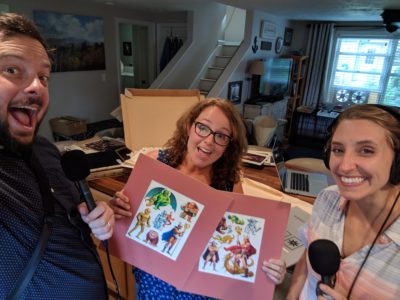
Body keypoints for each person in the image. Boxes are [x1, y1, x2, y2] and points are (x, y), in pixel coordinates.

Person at [110, 98, 287, 298]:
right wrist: (115, 209)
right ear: (189, 126)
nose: (209, 141)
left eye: (221, 135)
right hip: (153, 288)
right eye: (203, 128)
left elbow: (241, 240)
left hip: (202, 293)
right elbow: (122, 218)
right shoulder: (156, 163)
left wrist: (269, 270)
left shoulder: (229, 183)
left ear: (228, 144)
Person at [0, 13, 115, 299]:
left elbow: (75, 213)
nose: (37, 86)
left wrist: (99, 216)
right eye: (12, 70)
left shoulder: (46, 150)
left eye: (43, 76)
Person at [286, 104, 400, 300]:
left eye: (366, 150)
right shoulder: (328, 198)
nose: (345, 166)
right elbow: (307, 258)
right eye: (338, 149)